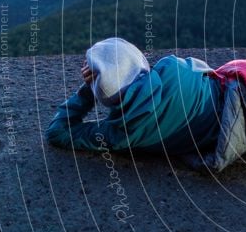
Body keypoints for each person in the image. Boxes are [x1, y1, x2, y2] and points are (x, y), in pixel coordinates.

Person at [45, 37, 221, 155]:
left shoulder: (121, 133)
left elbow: (56, 132)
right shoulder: (174, 67)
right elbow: (213, 74)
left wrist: (89, 90)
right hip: (241, 90)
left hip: (233, 131)